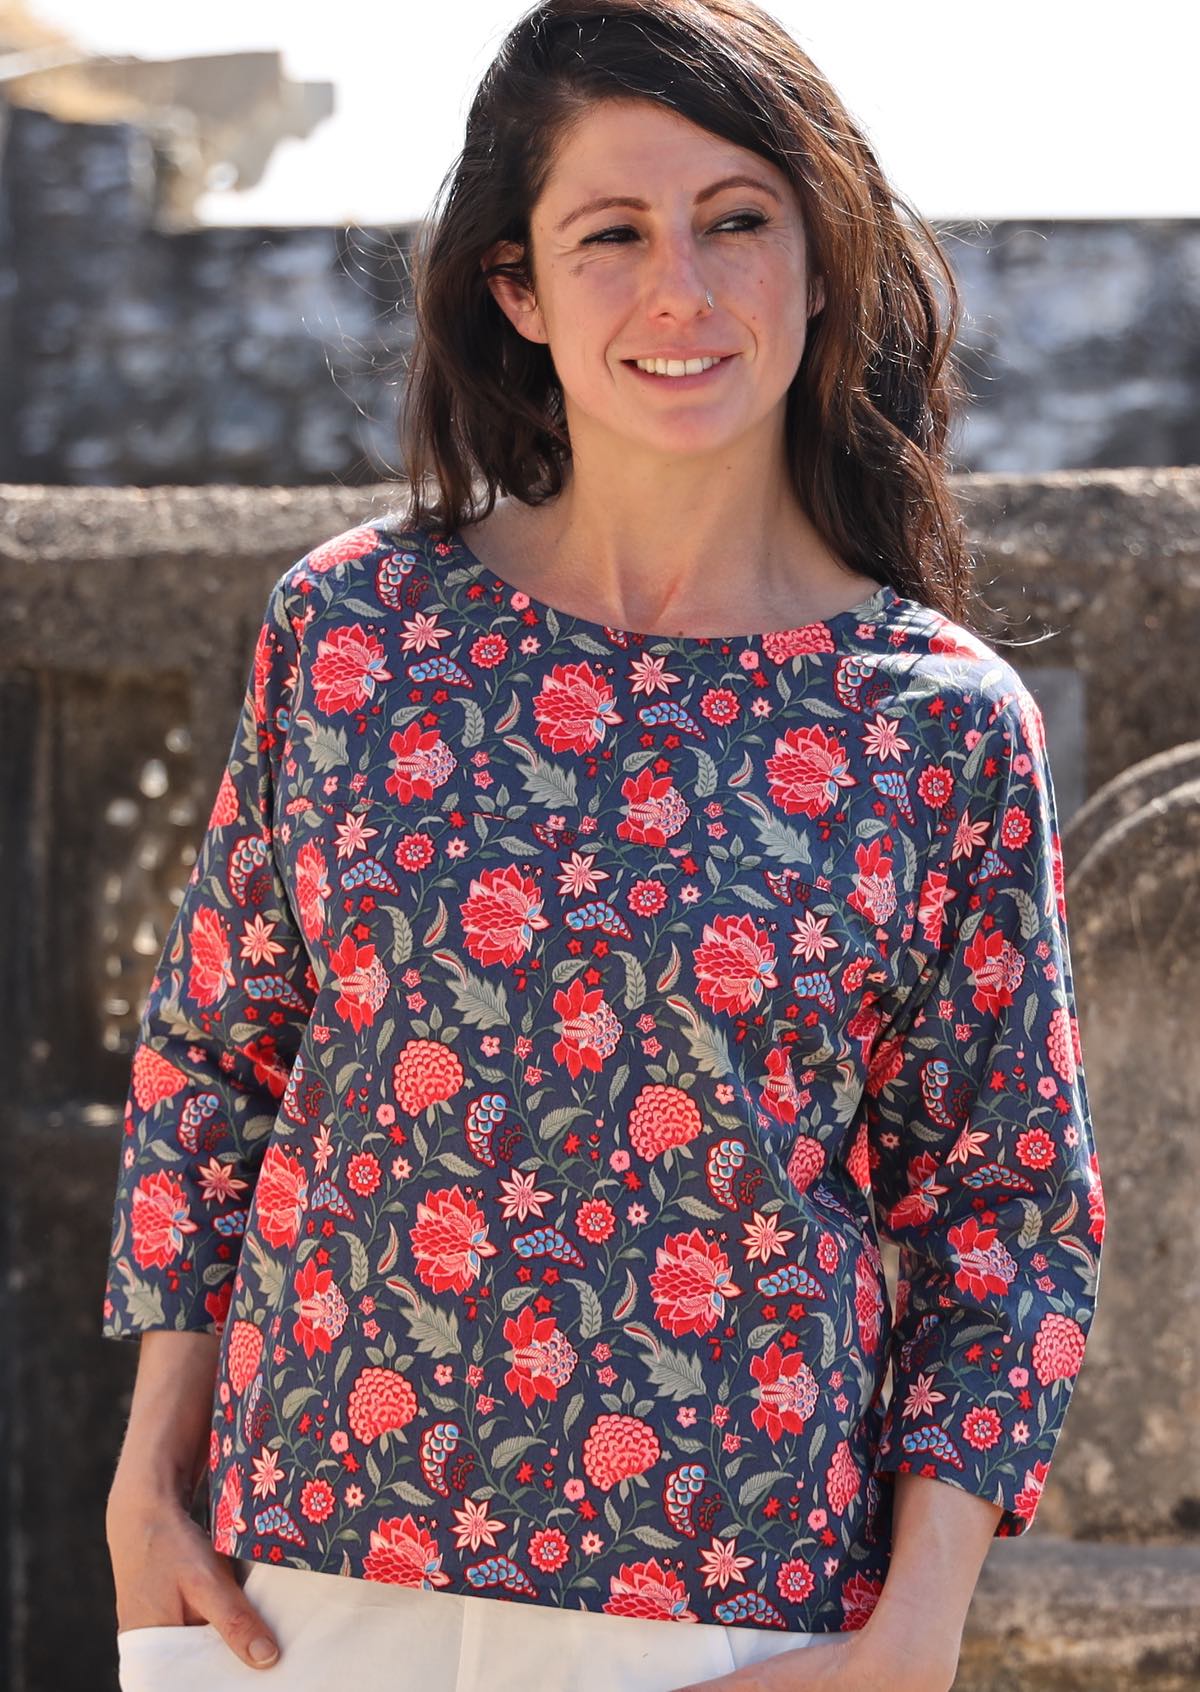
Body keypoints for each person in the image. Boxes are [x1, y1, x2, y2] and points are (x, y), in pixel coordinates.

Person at [102, 2, 1107, 1689]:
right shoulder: (355, 631)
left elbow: (1007, 1210)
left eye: (736, 221)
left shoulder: (934, 721)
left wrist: (917, 1632)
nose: (681, 293)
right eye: (613, 234)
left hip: (735, 1615)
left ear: (820, 254)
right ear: (520, 286)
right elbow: (218, 1056)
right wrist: (146, 1476)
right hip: (300, 1588)